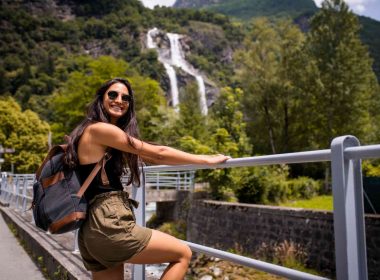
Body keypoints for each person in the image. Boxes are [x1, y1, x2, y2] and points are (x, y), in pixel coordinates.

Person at [64, 77, 230, 280]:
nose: (119, 100)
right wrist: (206, 159)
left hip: (90, 231)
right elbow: (158, 153)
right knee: (182, 254)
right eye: (113, 94)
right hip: (109, 224)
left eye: (125, 97)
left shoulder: (91, 132)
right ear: (101, 98)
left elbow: (149, 154)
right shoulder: (101, 129)